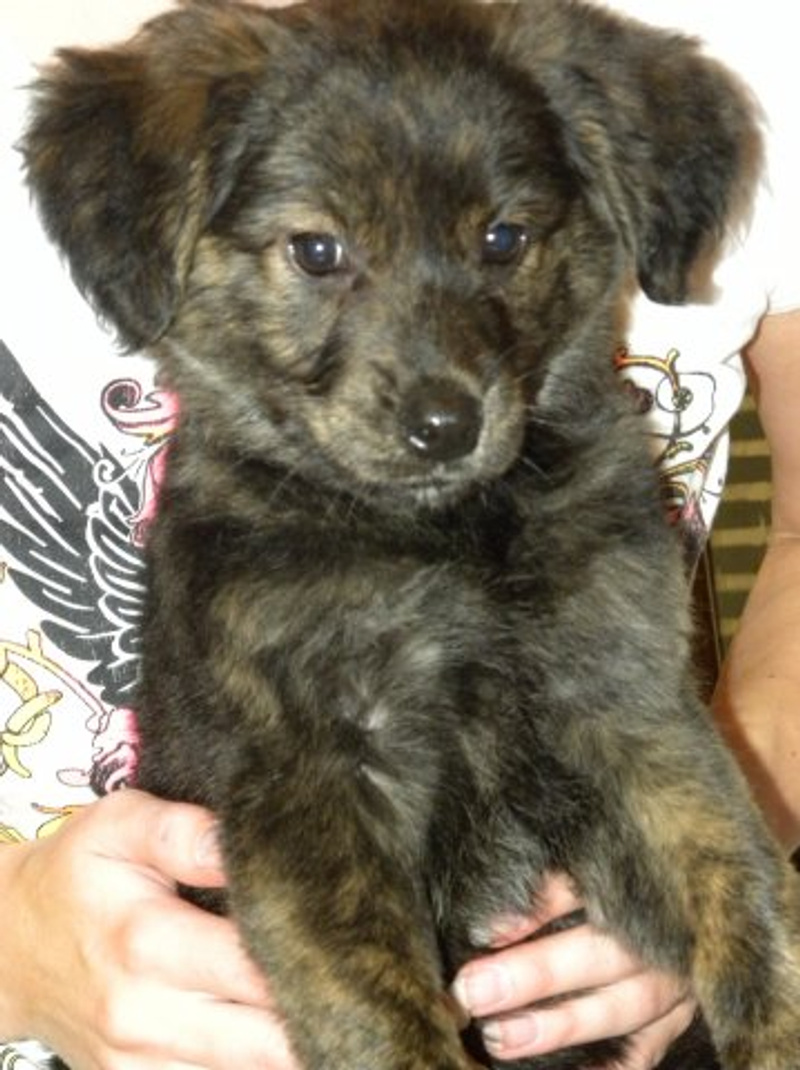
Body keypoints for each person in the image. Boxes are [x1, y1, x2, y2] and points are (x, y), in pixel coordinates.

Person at [0, 1, 798, 1068]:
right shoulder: (255, 539)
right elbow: (320, 831)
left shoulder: (730, 39)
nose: (437, 385)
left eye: (503, 241)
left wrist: (760, 994)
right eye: (318, 252)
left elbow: (640, 745)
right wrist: (15, 949)